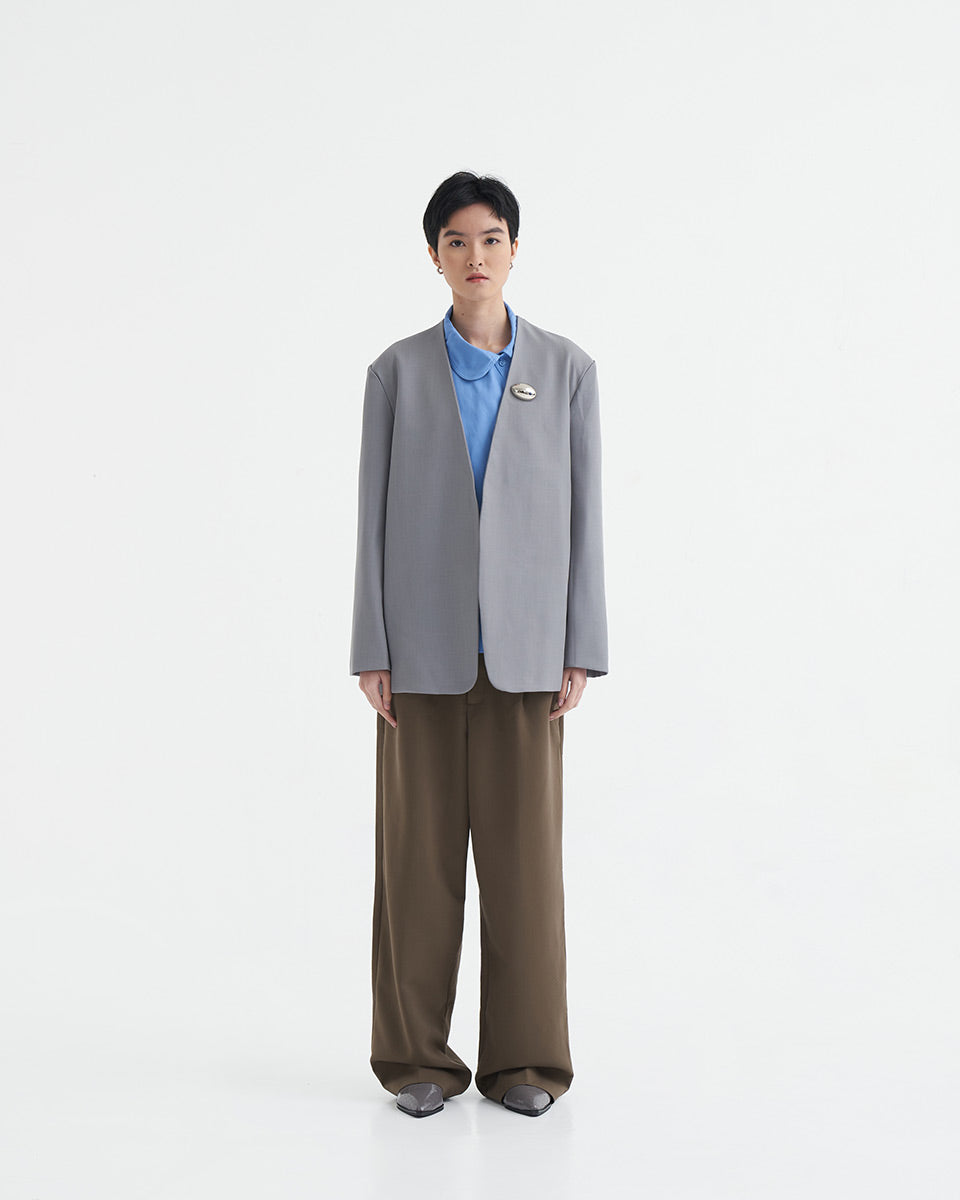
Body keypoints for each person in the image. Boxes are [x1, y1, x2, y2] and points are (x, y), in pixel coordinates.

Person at [349, 171, 608, 1118]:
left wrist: (583, 642)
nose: (475, 257)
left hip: (532, 655)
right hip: (418, 659)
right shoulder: (396, 372)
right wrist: (370, 647)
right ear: (434, 255)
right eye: (456, 241)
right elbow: (371, 517)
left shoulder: (568, 370)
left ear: (514, 249)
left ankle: (526, 1063)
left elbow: (586, 518)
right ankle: (415, 1058)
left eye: (491, 239)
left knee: (525, 873)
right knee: (417, 869)